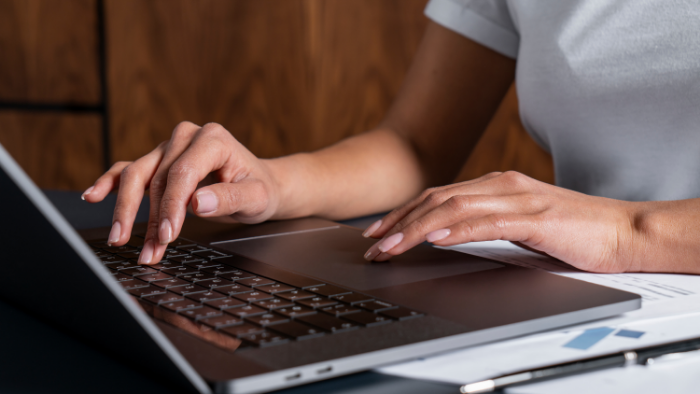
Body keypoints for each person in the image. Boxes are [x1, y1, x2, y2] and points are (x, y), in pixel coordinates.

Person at [82, 0, 700, 274]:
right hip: (600, 303)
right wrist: (270, 182)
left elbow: (623, 231)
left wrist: (627, 231)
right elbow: (415, 145)